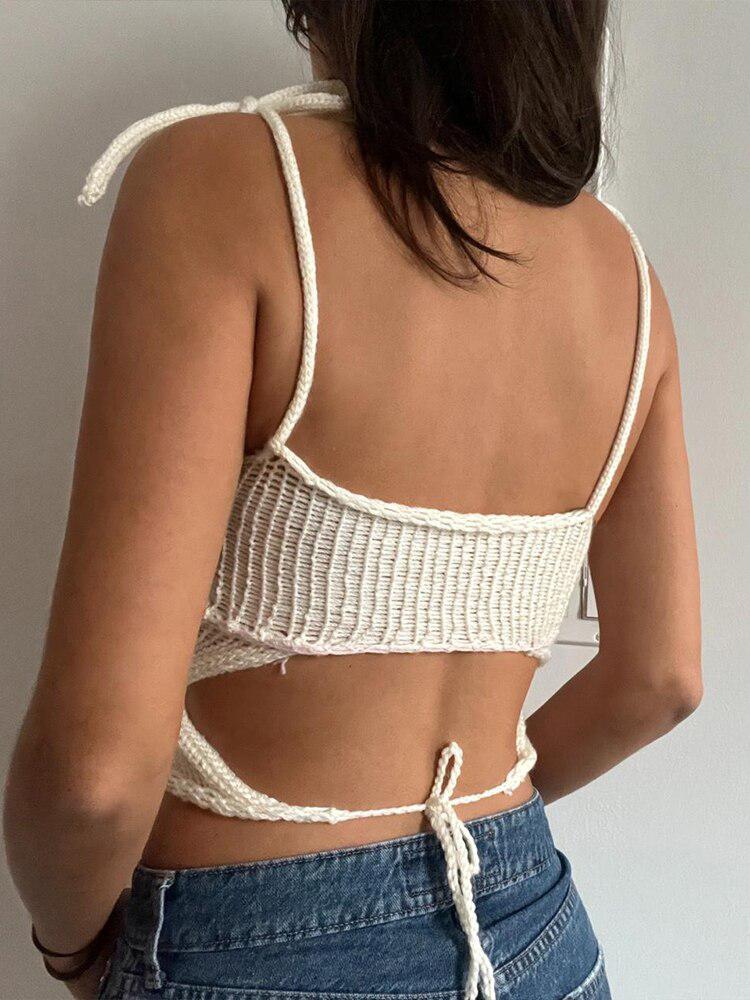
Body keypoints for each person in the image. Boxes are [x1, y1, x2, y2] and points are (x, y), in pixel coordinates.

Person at [4, 2, 702, 998]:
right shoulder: (627, 275)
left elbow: (94, 777)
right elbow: (661, 678)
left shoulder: (226, 181)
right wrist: (466, 835)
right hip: (536, 933)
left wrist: (73, 951)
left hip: (259, 946)